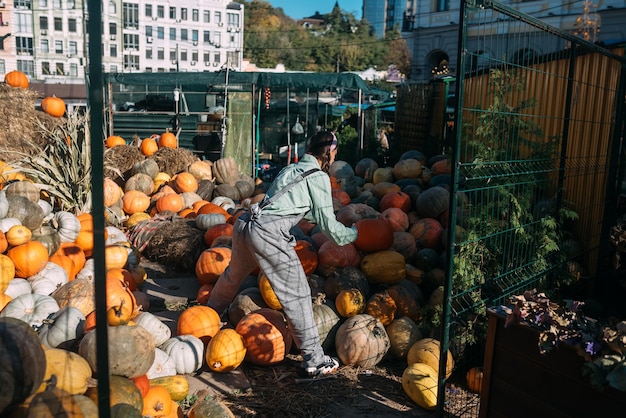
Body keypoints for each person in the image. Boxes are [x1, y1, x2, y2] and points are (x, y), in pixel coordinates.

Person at [207, 130, 358, 378]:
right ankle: (314, 360)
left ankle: (211, 315)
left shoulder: (293, 169)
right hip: (268, 233)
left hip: (246, 223)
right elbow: (331, 229)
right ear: (330, 153)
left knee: (233, 275)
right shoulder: (318, 176)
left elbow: (290, 204)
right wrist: (353, 233)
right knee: (297, 294)